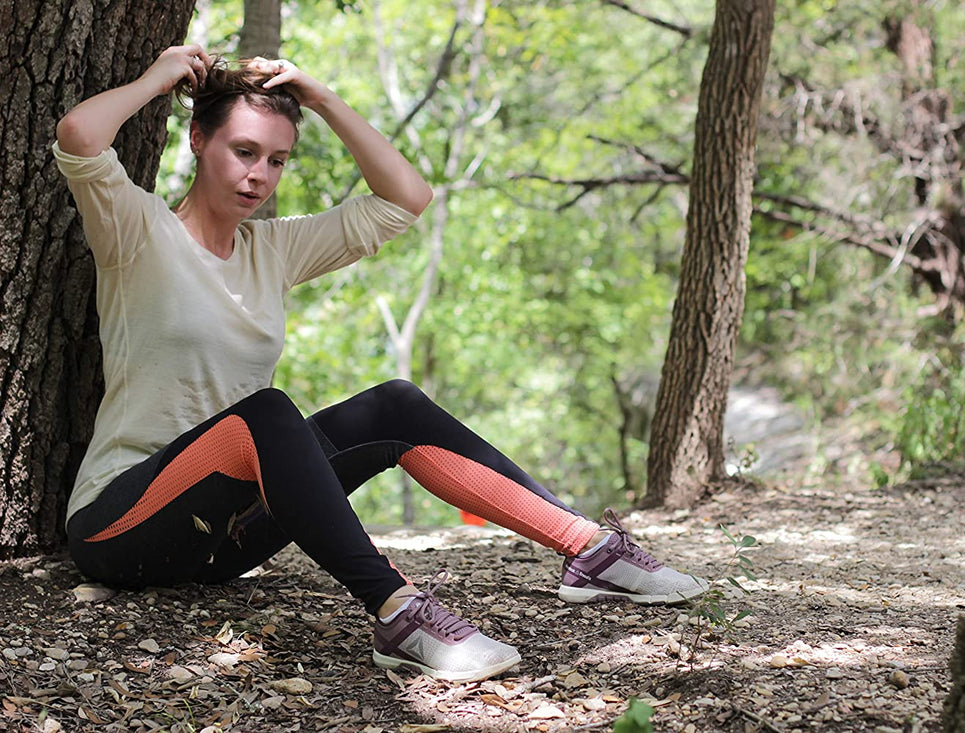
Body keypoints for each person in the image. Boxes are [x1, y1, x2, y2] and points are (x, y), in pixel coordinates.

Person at [54, 44, 708, 684]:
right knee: (265, 414)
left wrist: (325, 99)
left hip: (225, 541)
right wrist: (158, 76)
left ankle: (589, 549)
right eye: (244, 151)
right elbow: (80, 134)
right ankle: (399, 611)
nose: (260, 175)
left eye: (277, 160)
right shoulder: (139, 232)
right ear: (199, 140)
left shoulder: (273, 249)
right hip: (122, 525)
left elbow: (406, 197)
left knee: (393, 403)